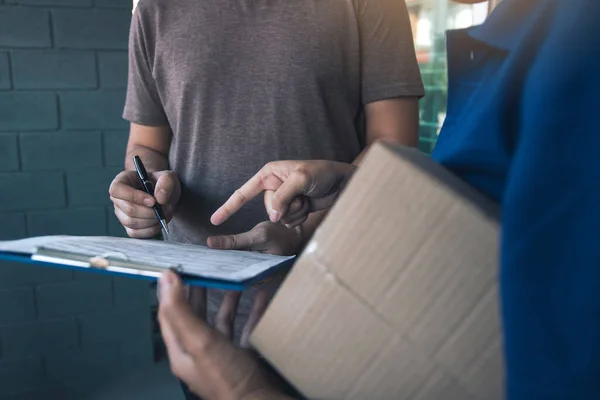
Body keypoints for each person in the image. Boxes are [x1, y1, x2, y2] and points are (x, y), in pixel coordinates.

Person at [157, 0, 600, 398]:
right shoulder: (527, 34)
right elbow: (468, 232)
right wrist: (345, 198)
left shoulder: (576, 45)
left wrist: (243, 391)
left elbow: (561, 355)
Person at [110, 0, 423, 397]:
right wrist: (146, 187)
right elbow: (145, 144)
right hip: (200, 308)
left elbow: (395, 146)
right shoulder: (155, 10)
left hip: (335, 299)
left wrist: (304, 229)